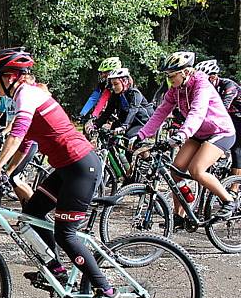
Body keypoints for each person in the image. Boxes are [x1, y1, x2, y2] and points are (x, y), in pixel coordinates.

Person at [0, 47, 124, 298]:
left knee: (65, 232)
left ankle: (106, 290)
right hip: (66, 167)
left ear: (9, 77)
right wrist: (7, 173)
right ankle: (55, 270)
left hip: (81, 166)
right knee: (32, 212)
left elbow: (16, 136)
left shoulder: (28, 94)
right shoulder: (22, 96)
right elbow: (25, 144)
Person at [133, 52, 236, 224]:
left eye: (172, 76)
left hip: (220, 132)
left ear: (186, 72)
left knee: (197, 170)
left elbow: (198, 112)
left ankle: (229, 200)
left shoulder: (202, 84)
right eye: (167, 76)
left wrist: (182, 134)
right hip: (197, 134)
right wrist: (141, 135)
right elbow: (161, 112)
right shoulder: (176, 90)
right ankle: (180, 215)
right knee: (176, 170)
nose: (170, 80)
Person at [199, 59, 241, 179]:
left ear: (213, 78)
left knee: (237, 148)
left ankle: (234, 187)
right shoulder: (206, 89)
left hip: (237, 115)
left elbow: (222, 109)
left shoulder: (229, 85)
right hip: (230, 116)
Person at [91, 67, 152, 139]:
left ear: (124, 82)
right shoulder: (116, 95)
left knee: (129, 136)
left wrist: (124, 127)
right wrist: (96, 125)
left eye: (116, 84)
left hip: (141, 122)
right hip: (126, 122)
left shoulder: (135, 93)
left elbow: (133, 110)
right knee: (109, 137)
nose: (113, 87)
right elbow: (108, 111)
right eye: (112, 84)